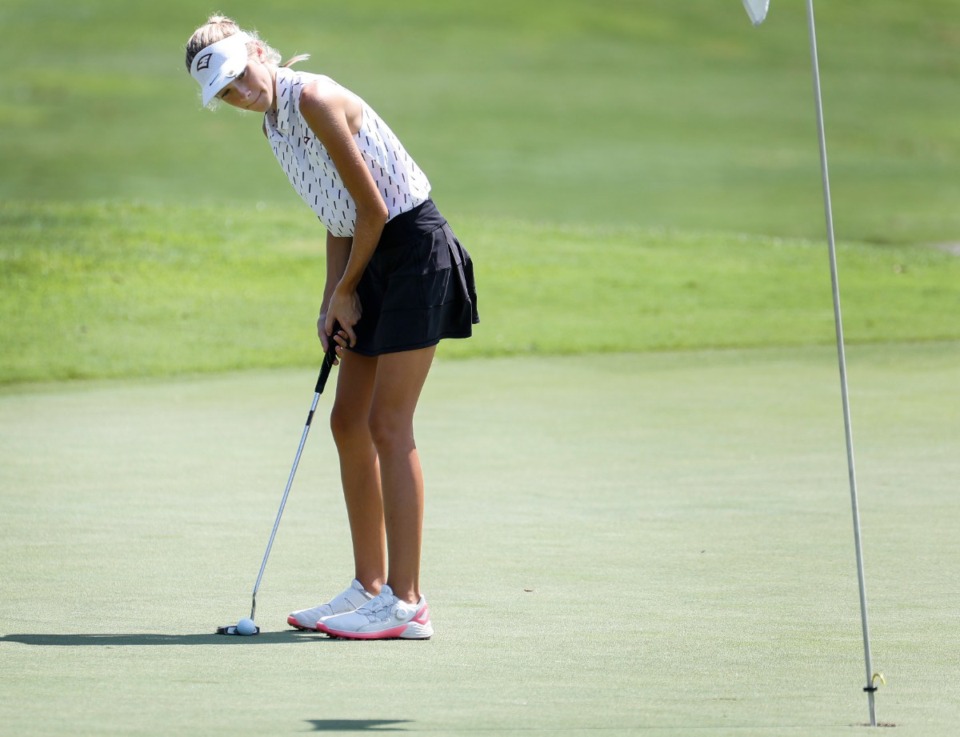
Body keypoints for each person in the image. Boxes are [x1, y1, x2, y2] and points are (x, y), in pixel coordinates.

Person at [185, 16, 478, 640]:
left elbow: (374, 209)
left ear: (260, 53)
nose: (241, 93)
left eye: (241, 76)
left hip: (412, 253)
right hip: (370, 257)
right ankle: (368, 586)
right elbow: (338, 212)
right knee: (347, 421)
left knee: (387, 423)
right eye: (227, 93)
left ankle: (408, 603)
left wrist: (348, 290)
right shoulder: (275, 124)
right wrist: (330, 300)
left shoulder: (312, 99)